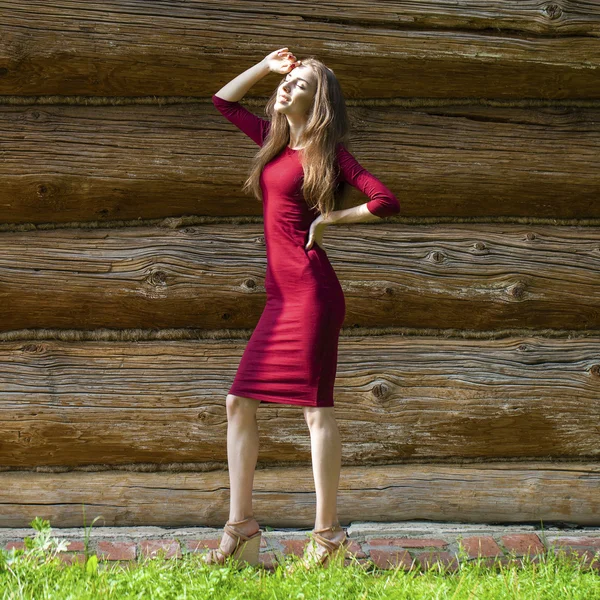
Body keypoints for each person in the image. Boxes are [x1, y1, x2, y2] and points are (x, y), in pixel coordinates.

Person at [204, 47, 400, 569]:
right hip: (281, 296)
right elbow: (224, 102)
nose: (288, 88)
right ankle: (241, 532)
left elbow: (385, 200)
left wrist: (329, 220)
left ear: (318, 103)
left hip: (312, 294)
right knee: (238, 403)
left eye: (301, 84)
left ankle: (327, 540)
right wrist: (268, 68)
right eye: (288, 82)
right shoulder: (274, 144)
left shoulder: (327, 154)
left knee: (317, 410)